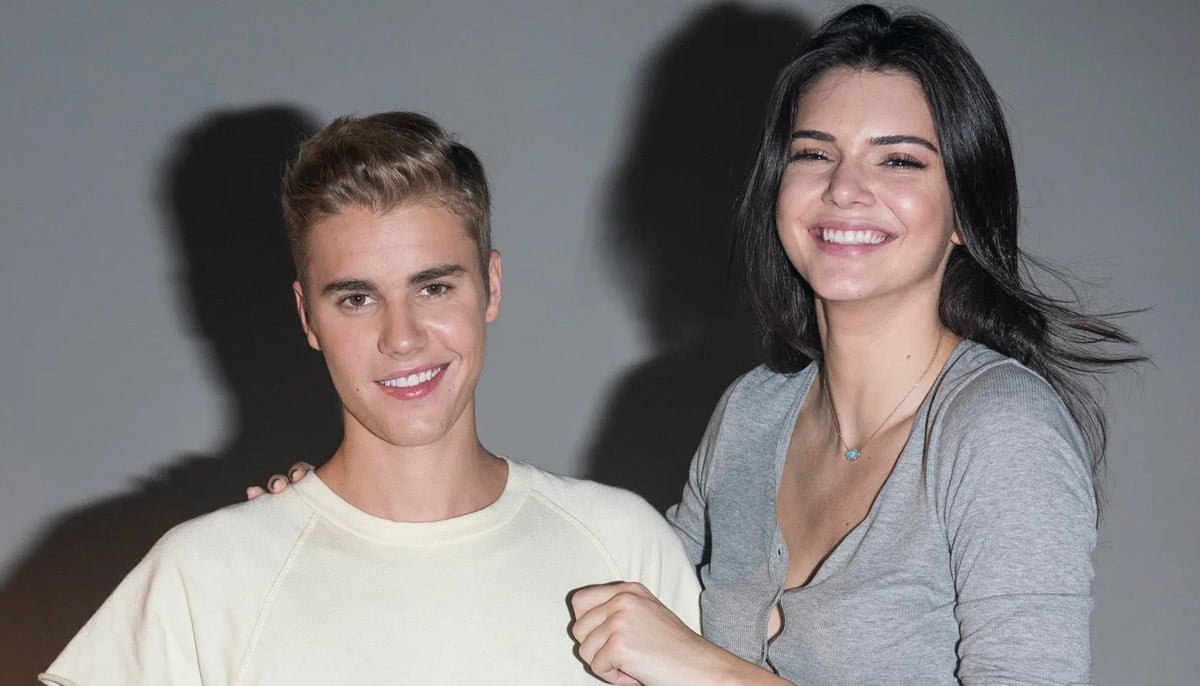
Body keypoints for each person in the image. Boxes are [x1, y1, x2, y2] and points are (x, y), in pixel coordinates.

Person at [565, 4, 1143, 685]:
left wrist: (708, 670)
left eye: (898, 160)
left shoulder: (1002, 430)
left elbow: (684, 660)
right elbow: (646, 619)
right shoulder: (751, 414)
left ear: (964, 212)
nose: (844, 189)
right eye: (814, 154)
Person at [39, 111, 699, 685]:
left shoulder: (621, 546)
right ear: (308, 316)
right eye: (357, 299)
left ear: (491, 286)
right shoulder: (208, 576)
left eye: (433, 288)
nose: (402, 338)